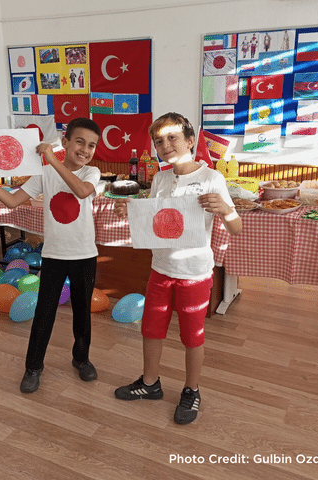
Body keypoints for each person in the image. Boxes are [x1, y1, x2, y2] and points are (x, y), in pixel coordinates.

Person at [113, 112, 242, 425]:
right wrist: (130, 211)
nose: (165, 145)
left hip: (194, 274)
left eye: (172, 137)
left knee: (192, 335)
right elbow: (157, 219)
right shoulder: (160, 178)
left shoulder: (212, 178)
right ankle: (150, 383)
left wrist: (225, 209)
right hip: (161, 269)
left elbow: (236, 227)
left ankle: (191, 389)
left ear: (190, 140)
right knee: (151, 329)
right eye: (159, 141)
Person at [0, 117, 102, 393]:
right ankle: (33, 366)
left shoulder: (92, 172)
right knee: (44, 312)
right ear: (65, 142)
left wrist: (52, 160)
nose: (85, 149)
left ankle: (81, 358)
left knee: (82, 312)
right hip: (54, 255)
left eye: (91, 145)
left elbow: (81, 191)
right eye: (79, 142)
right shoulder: (44, 173)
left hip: (84, 255)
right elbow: (12, 201)